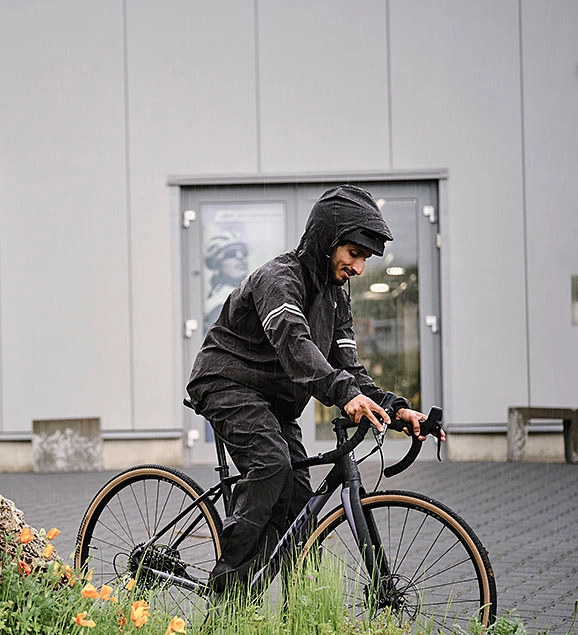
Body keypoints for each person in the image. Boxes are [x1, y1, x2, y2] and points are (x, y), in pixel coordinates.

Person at [186, 184, 442, 596]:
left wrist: (395, 410)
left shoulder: (337, 299)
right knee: (271, 463)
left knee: (297, 507)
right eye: (354, 254)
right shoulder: (278, 279)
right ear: (327, 239)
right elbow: (295, 343)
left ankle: (296, 617)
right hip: (225, 382)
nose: (359, 268)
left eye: (364, 259)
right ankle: (226, 594)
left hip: (274, 402)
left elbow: (349, 367)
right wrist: (342, 394)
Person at [202, 229, 250, 328]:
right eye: (231, 254)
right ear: (217, 265)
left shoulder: (242, 294)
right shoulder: (221, 303)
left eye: (243, 253)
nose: (240, 257)